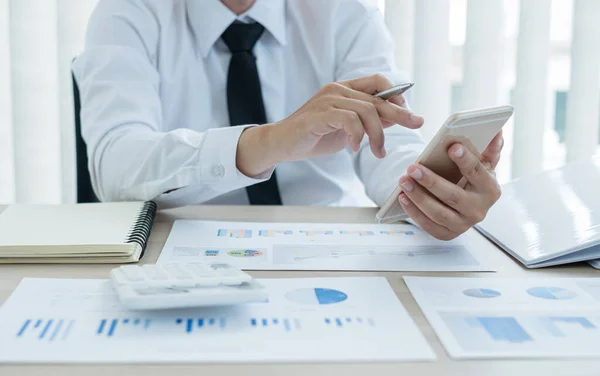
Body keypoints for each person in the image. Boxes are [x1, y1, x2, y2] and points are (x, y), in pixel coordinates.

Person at [73, 0, 503, 240]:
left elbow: (386, 142)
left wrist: (426, 190)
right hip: (180, 248)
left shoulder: (343, 12)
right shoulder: (127, 12)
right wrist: (270, 142)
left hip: (326, 245)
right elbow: (114, 164)